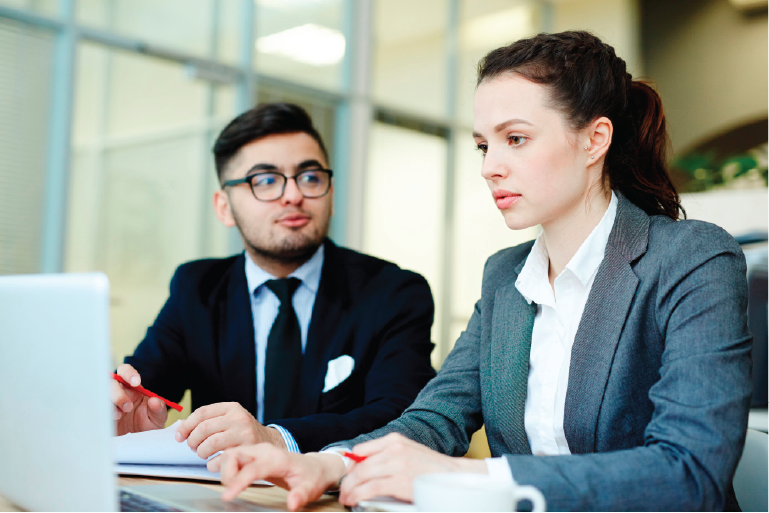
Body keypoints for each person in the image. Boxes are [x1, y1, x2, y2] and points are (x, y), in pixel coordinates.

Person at [208, 31, 753, 511]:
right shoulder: (506, 276)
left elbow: (689, 474)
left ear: (594, 140)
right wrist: (334, 465)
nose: (491, 166)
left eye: (516, 139)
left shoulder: (692, 258)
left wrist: (467, 476)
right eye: (483, 145)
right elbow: (435, 418)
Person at [110, 102, 437, 455]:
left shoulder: (394, 292)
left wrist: (277, 438)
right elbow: (146, 387)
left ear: (330, 194)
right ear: (224, 207)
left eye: (310, 177)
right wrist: (125, 413)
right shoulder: (197, 287)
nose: (294, 195)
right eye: (265, 181)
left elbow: (401, 417)